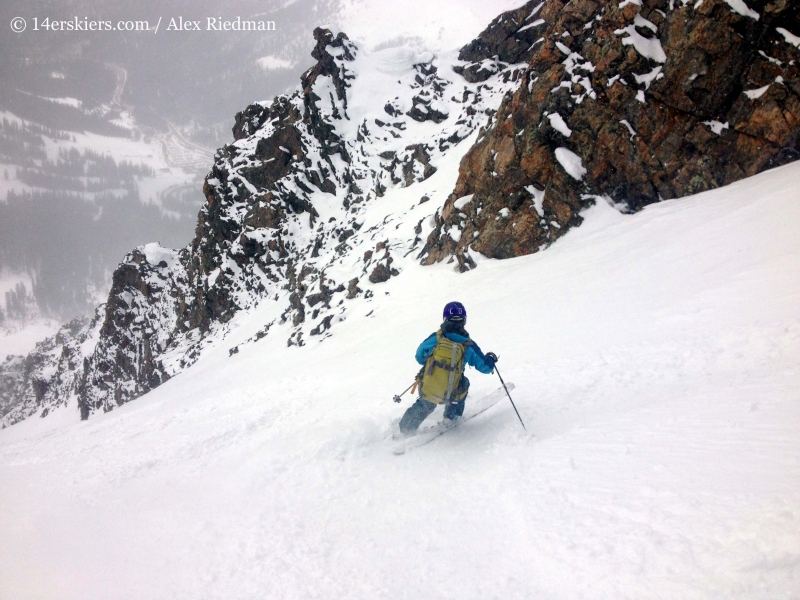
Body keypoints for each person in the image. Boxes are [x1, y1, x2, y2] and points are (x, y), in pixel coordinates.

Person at [398, 301, 498, 434]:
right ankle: (451, 418)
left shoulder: (436, 338)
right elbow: (485, 367)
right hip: (453, 390)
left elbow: (419, 356)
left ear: (445, 318)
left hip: (429, 385)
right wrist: (491, 360)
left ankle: (405, 428)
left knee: (426, 403)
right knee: (464, 383)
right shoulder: (468, 344)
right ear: (464, 320)